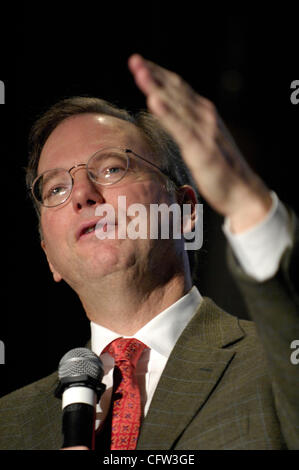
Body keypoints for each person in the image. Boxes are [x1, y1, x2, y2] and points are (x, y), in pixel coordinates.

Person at [0, 54, 298, 450]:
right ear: (49, 256)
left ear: (186, 211)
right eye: (56, 189)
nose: (83, 194)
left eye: (110, 169)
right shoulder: (10, 424)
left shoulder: (276, 362)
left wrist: (245, 204)